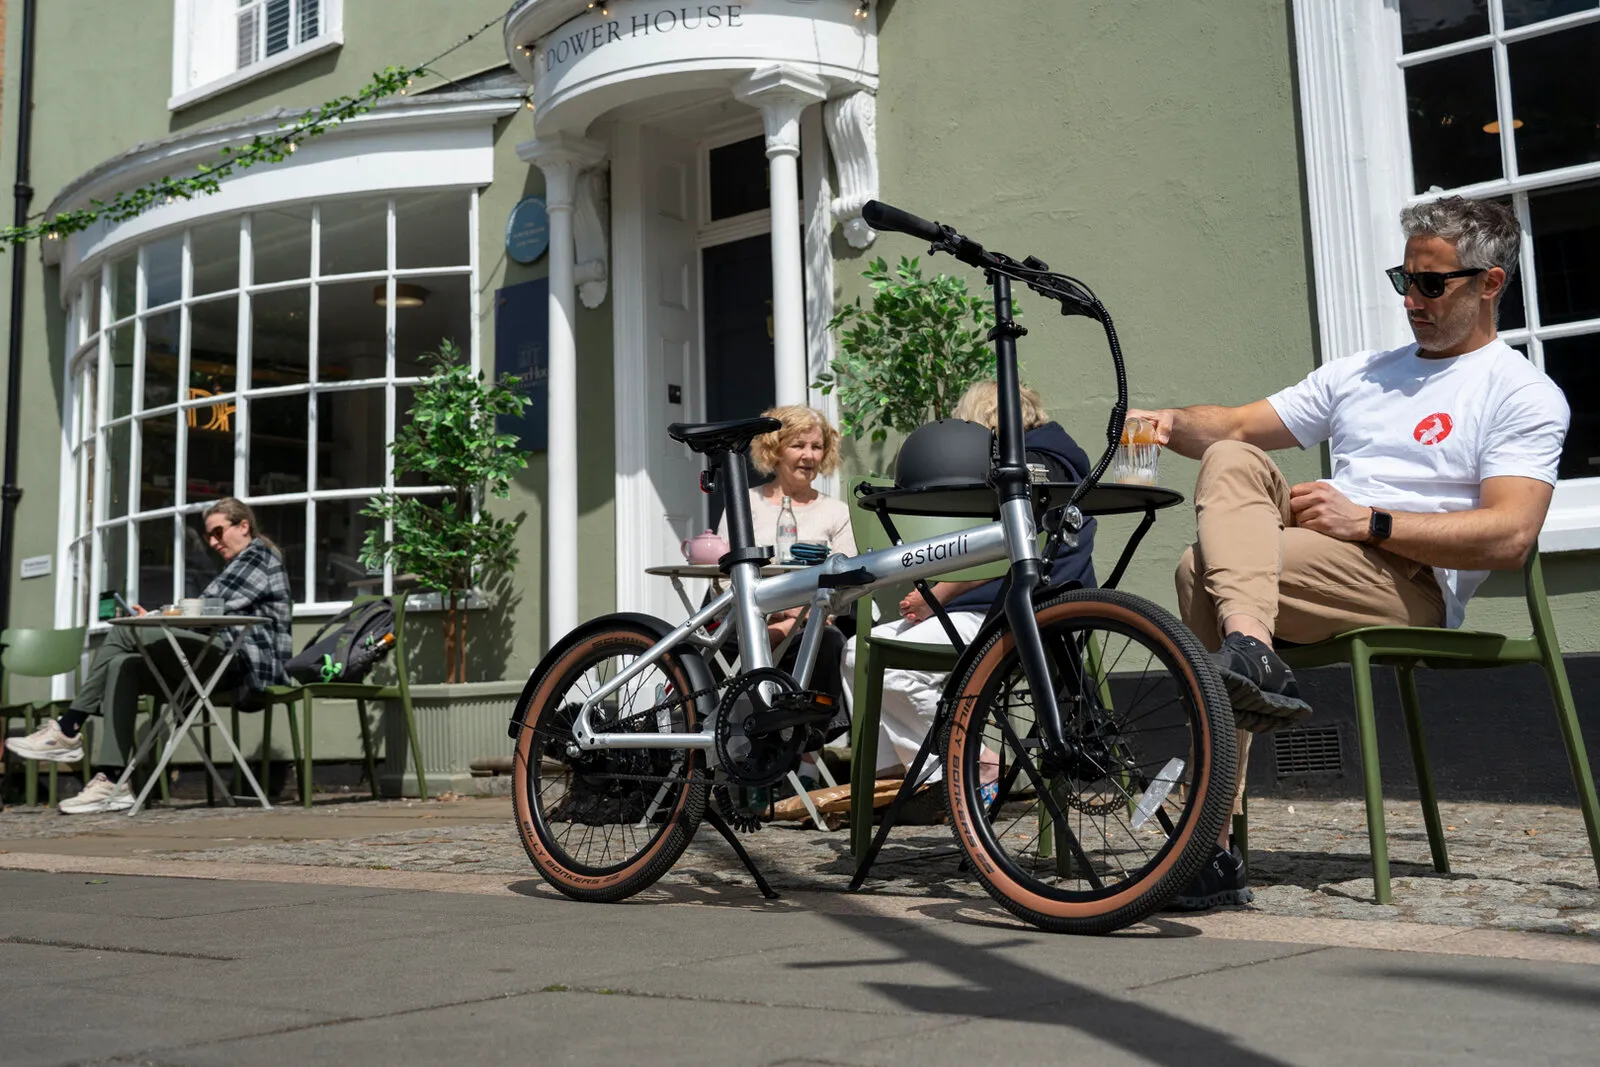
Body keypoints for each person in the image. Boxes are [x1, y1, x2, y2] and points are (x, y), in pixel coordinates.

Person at [1131, 196, 1568, 910]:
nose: (1413, 301)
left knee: (1196, 568)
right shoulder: (1362, 373)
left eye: (1432, 284)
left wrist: (1371, 521)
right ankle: (1250, 651)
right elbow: (1237, 424)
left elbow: (1510, 534)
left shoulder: (1519, 392)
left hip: (1411, 582)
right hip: (1321, 563)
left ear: (1489, 284)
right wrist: (1168, 422)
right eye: (1405, 280)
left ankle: (1206, 843)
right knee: (1232, 457)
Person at [840, 381, 1098, 794]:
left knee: (898, 673)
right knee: (856, 653)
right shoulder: (1051, 460)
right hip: (984, 609)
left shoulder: (1029, 466)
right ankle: (897, 775)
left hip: (1017, 612)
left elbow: (1016, 545)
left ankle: (971, 767)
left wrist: (940, 592)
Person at [8, 498, 295, 813]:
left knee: (125, 631)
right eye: (209, 536)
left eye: (218, 532)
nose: (213, 542)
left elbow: (207, 605)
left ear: (244, 526)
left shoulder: (258, 556)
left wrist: (155, 618)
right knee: (123, 664)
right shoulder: (239, 563)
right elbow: (204, 613)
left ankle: (69, 728)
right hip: (216, 660)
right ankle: (112, 782)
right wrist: (156, 616)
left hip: (245, 667)